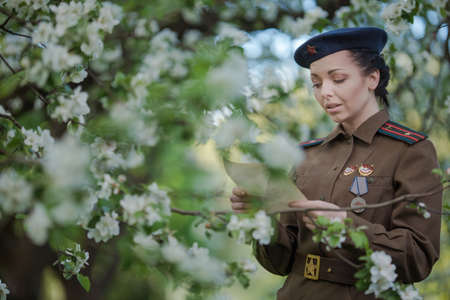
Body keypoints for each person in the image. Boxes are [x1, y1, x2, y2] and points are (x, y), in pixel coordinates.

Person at [229, 27, 442, 300]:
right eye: (316, 84)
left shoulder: (410, 150)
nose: (324, 93)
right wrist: (261, 218)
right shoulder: (304, 155)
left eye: (338, 79)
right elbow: (279, 263)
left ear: (372, 78)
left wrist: (344, 224)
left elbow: (418, 258)